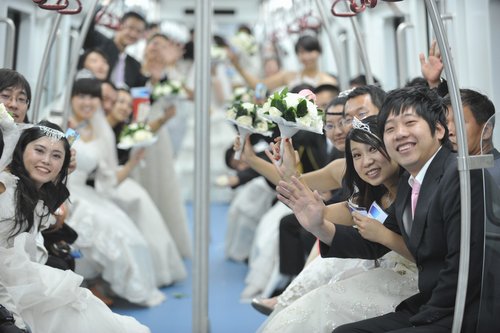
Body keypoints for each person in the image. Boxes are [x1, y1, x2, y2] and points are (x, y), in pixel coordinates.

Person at [281, 85, 485, 332]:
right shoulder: (412, 182)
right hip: (428, 301)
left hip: (457, 311)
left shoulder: (456, 178)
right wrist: (318, 226)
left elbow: (464, 264)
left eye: (409, 123)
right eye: (391, 128)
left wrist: (428, 315)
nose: (399, 134)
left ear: (439, 129)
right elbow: (371, 243)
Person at [258, 116, 417, 332]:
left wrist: (383, 235)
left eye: (372, 149)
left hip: (416, 284)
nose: (366, 161)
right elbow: (321, 212)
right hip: (382, 268)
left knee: (322, 302)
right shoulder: (376, 193)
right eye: (357, 155)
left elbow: (427, 253)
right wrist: (289, 173)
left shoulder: (415, 190)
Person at [0, 121, 150, 333]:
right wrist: (13, 319)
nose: (46, 161)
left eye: (56, 156)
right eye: (39, 150)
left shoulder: (31, 191)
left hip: (25, 280)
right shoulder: (6, 192)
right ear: (21, 150)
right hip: (10, 291)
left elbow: (47, 220)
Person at [65, 78, 166, 306]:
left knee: (128, 234)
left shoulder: (103, 132)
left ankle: (95, 282)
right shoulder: (58, 121)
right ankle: (85, 283)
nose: (87, 102)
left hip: (85, 192)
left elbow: (109, 180)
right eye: (81, 96)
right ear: (71, 98)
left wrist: (131, 163)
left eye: (92, 97)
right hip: (61, 192)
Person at [229, 34, 337, 92]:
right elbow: (258, 85)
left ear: (319, 52)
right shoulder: (289, 76)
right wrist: (237, 66)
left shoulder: (328, 80)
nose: (306, 56)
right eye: (302, 52)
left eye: (310, 51)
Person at [84, 11, 148, 88]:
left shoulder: (135, 65)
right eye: (131, 28)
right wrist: (103, 6)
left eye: (139, 31)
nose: (133, 34)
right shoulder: (99, 43)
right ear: (120, 25)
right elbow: (85, 28)